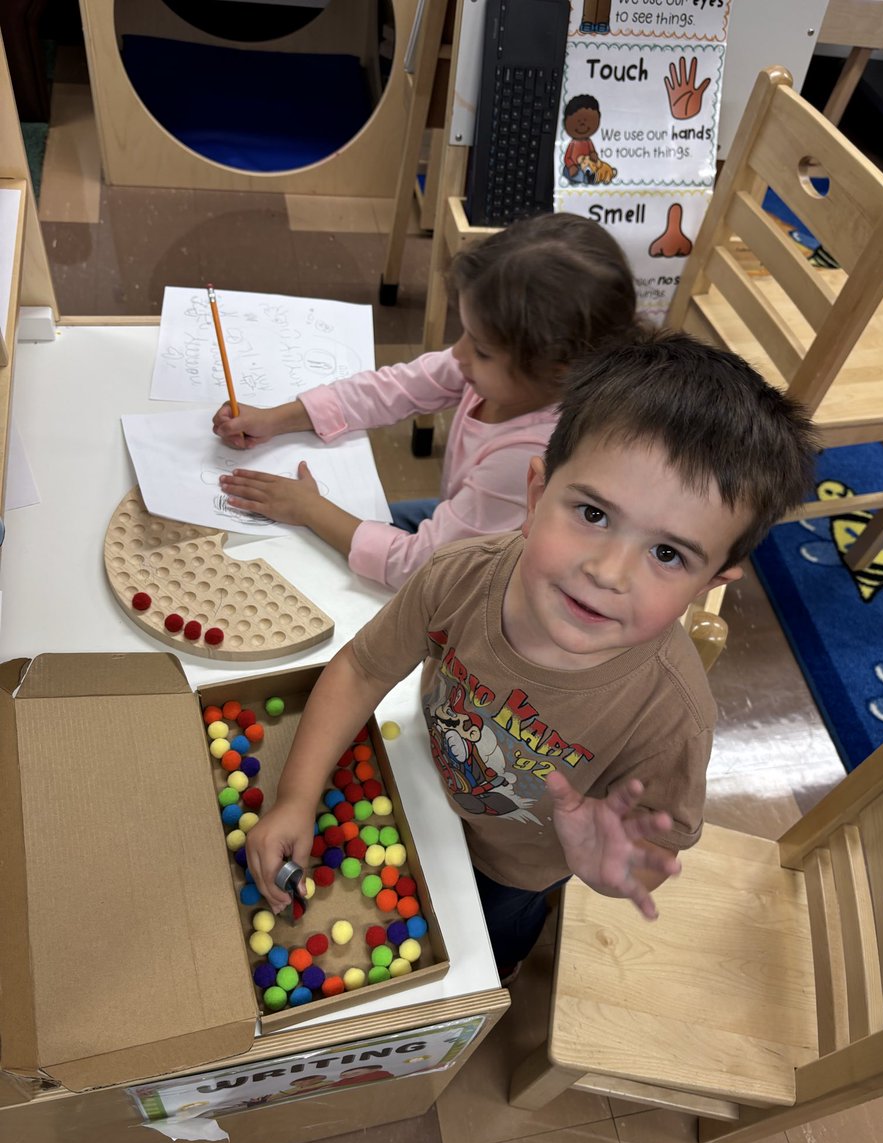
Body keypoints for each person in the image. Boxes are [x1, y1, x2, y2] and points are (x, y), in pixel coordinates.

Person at [245, 331, 817, 978]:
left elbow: (652, 847)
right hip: (415, 787)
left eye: (667, 554)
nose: (608, 572)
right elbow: (361, 667)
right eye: (593, 514)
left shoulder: (672, 717)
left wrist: (612, 869)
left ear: (711, 581)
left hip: (513, 870)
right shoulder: (458, 575)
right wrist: (296, 797)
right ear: (537, 494)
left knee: (490, 949)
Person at [211, 212, 637, 591]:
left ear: (559, 369)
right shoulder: (513, 374)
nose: (459, 354)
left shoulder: (529, 454)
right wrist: (278, 418)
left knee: (331, 563)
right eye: (465, 332)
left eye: (481, 349)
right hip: (463, 521)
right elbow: (398, 387)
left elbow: (423, 566)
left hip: (492, 583)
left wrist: (310, 508)